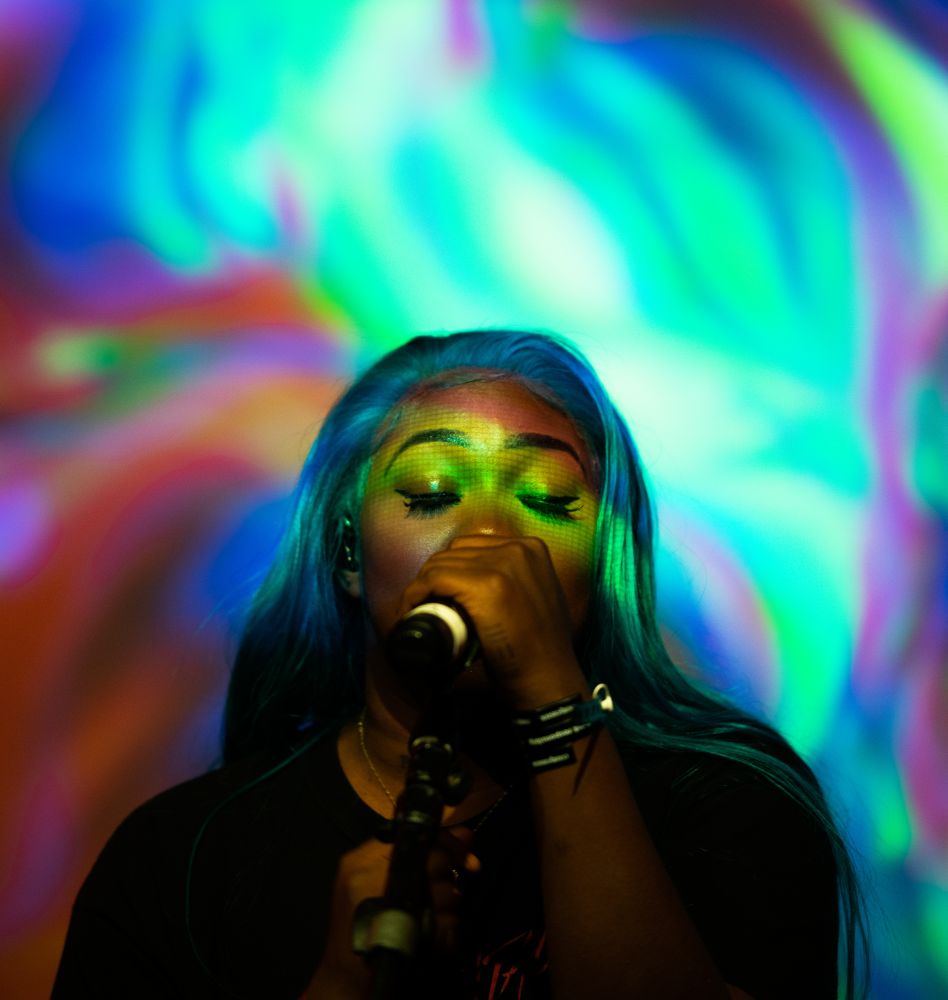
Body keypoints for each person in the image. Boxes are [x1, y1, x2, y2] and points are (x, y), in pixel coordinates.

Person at [53, 328, 867, 999]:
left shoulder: (725, 803)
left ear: (602, 561)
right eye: (432, 492)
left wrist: (551, 696)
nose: (489, 537)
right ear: (347, 552)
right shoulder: (185, 858)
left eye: (546, 499)